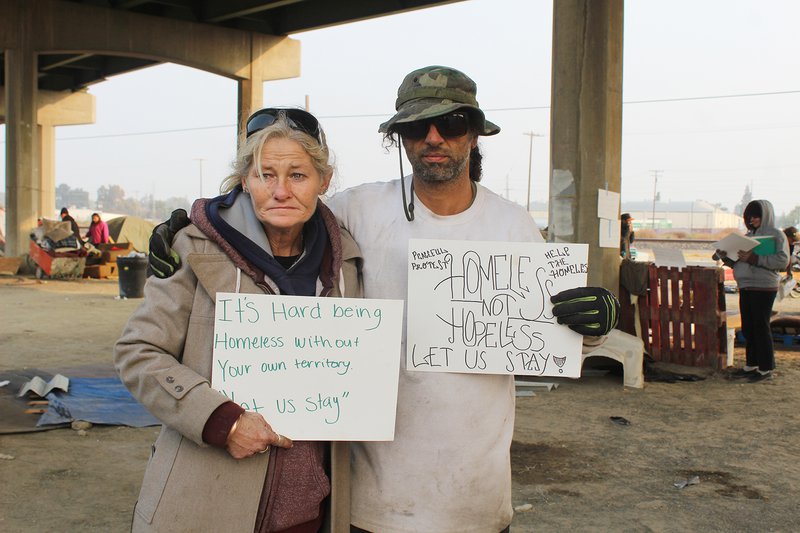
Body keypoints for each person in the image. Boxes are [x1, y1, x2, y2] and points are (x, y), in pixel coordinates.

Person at [148, 66, 620, 533]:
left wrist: (592, 328)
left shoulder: (513, 226)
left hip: (476, 496)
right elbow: (280, 201)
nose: (434, 137)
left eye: (452, 124)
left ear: (474, 135)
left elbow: (547, 341)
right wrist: (198, 227)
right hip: (372, 500)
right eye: (417, 127)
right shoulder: (356, 210)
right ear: (401, 138)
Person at [115, 109, 362, 532]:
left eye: (297, 175)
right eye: (266, 174)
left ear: (325, 180)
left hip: (309, 512)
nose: (281, 191)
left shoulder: (347, 262)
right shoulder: (193, 249)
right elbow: (138, 352)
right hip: (206, 506)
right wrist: (221, 421)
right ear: (245, 180)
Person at [715, 200, 789, 383]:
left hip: (764, 286)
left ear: (766, 216)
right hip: (746, 285)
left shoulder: (776, 236)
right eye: (749, 217)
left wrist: (755, 258)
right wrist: (728, 258)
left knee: (760, 326)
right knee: (748, 326)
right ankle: (751, 365)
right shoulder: (747, 236)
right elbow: (741, 261)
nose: (753, 220)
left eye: (756, 216)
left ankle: (766, 368)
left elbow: (782, 261)